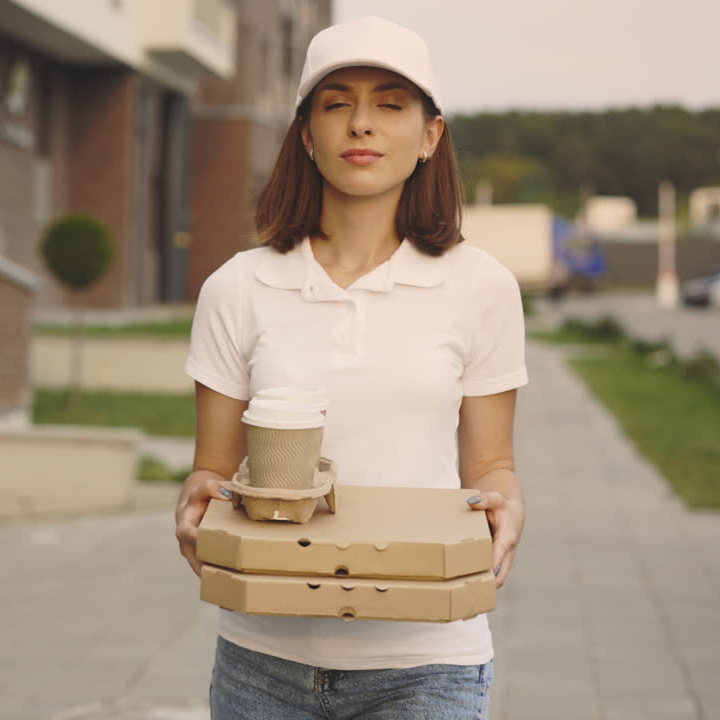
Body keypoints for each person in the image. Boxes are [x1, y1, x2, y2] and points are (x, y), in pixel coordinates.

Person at [174, 16, 528, 720]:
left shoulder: (480, 286)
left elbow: (490, 465)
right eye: (337, 104)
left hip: (428, 662)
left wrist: (506, 504)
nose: (362, 124)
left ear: (431, 135)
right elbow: (213, 469)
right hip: (261, 660)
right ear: (306, 135)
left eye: (391, 104)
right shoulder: (238, 288)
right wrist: (198, 505)